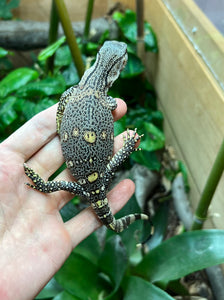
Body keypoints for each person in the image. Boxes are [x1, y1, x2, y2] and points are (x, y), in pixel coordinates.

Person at [0, 99, 136, 300]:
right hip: (90, 184)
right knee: (103, 173)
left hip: (89, 185)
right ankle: (46, 186)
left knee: (92, 179)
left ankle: (46, 187)